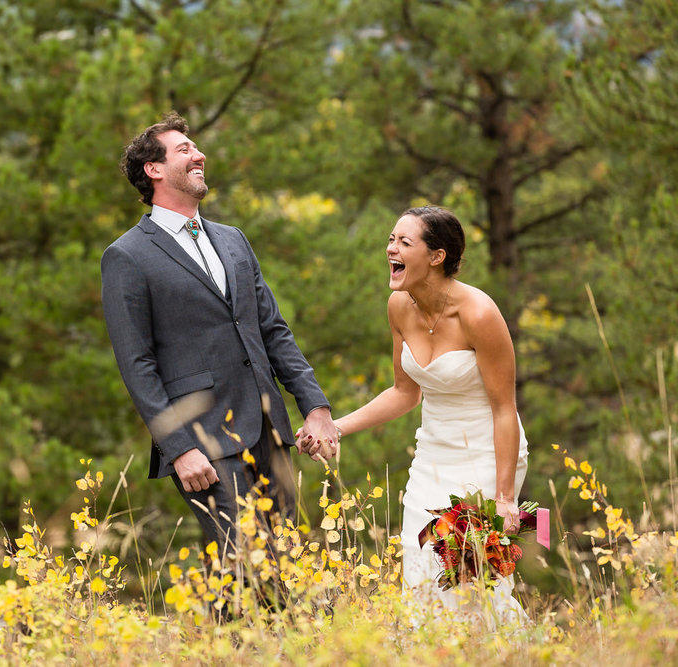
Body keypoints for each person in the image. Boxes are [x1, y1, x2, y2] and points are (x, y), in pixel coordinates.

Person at [101, 112, 339, 556]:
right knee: (244, 561)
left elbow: (273, 330)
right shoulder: (126, 256)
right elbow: (138, 365)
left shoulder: (233, 240)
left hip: (269, 428)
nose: (199, 155)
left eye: (196, 148)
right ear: (153, 170)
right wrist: (178, 448)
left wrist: (315, 405)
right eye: (184, 150)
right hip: (203, 442)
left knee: (287, 561)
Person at [317, 205, 528, 621]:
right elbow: (404, 392)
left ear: (437, 256)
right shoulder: (399, 306)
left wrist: (505, 499)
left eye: (404, 242)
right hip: (432, 455)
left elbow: (505, 409)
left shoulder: (479, 314)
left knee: (471, 577)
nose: (391, 249)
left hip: (488, 453)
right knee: (420, 568)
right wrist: (336, 427)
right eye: (391, 240)